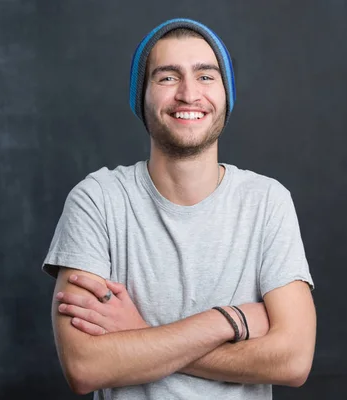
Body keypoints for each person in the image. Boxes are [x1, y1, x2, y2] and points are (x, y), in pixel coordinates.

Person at [42, 17, 316, 400]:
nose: (189, 94)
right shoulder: (97, 200)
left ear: (226, 94)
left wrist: (138, 335)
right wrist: (226, 321)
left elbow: (293, 360)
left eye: (206, 76)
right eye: (167, 77)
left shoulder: (267, 201)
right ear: (144, 97)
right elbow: (85, 367)